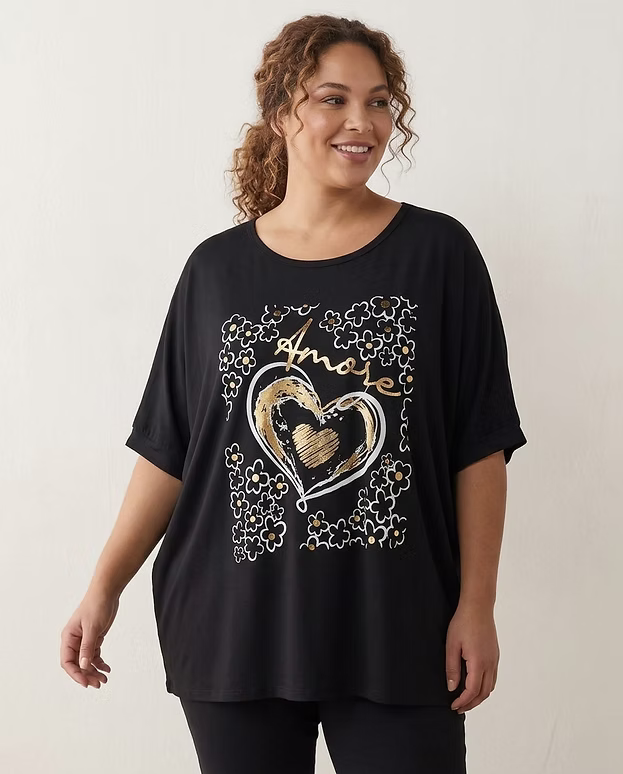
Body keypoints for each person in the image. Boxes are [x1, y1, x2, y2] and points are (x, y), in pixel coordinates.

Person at [60, 13, 527, 774]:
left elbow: (480, 446)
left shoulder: (439, 253)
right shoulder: (215, 272)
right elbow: (170, 450)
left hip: (397, 628)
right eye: (333, 99)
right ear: (281, 113)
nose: (361, 122)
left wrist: (477, 605)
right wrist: (102, 587)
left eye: (378, 102)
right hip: (232, 629)